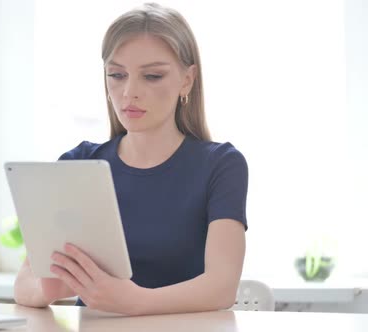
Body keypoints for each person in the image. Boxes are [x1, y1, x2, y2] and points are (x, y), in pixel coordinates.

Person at [14, 2, 248, 315]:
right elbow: (25, 283)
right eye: (117, 75)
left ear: (187, 80)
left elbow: (221, 287)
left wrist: (134, 302)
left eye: (152, 76)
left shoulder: (220, 165)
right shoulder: (77, 163)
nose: (129, 92)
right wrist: (48, 287)